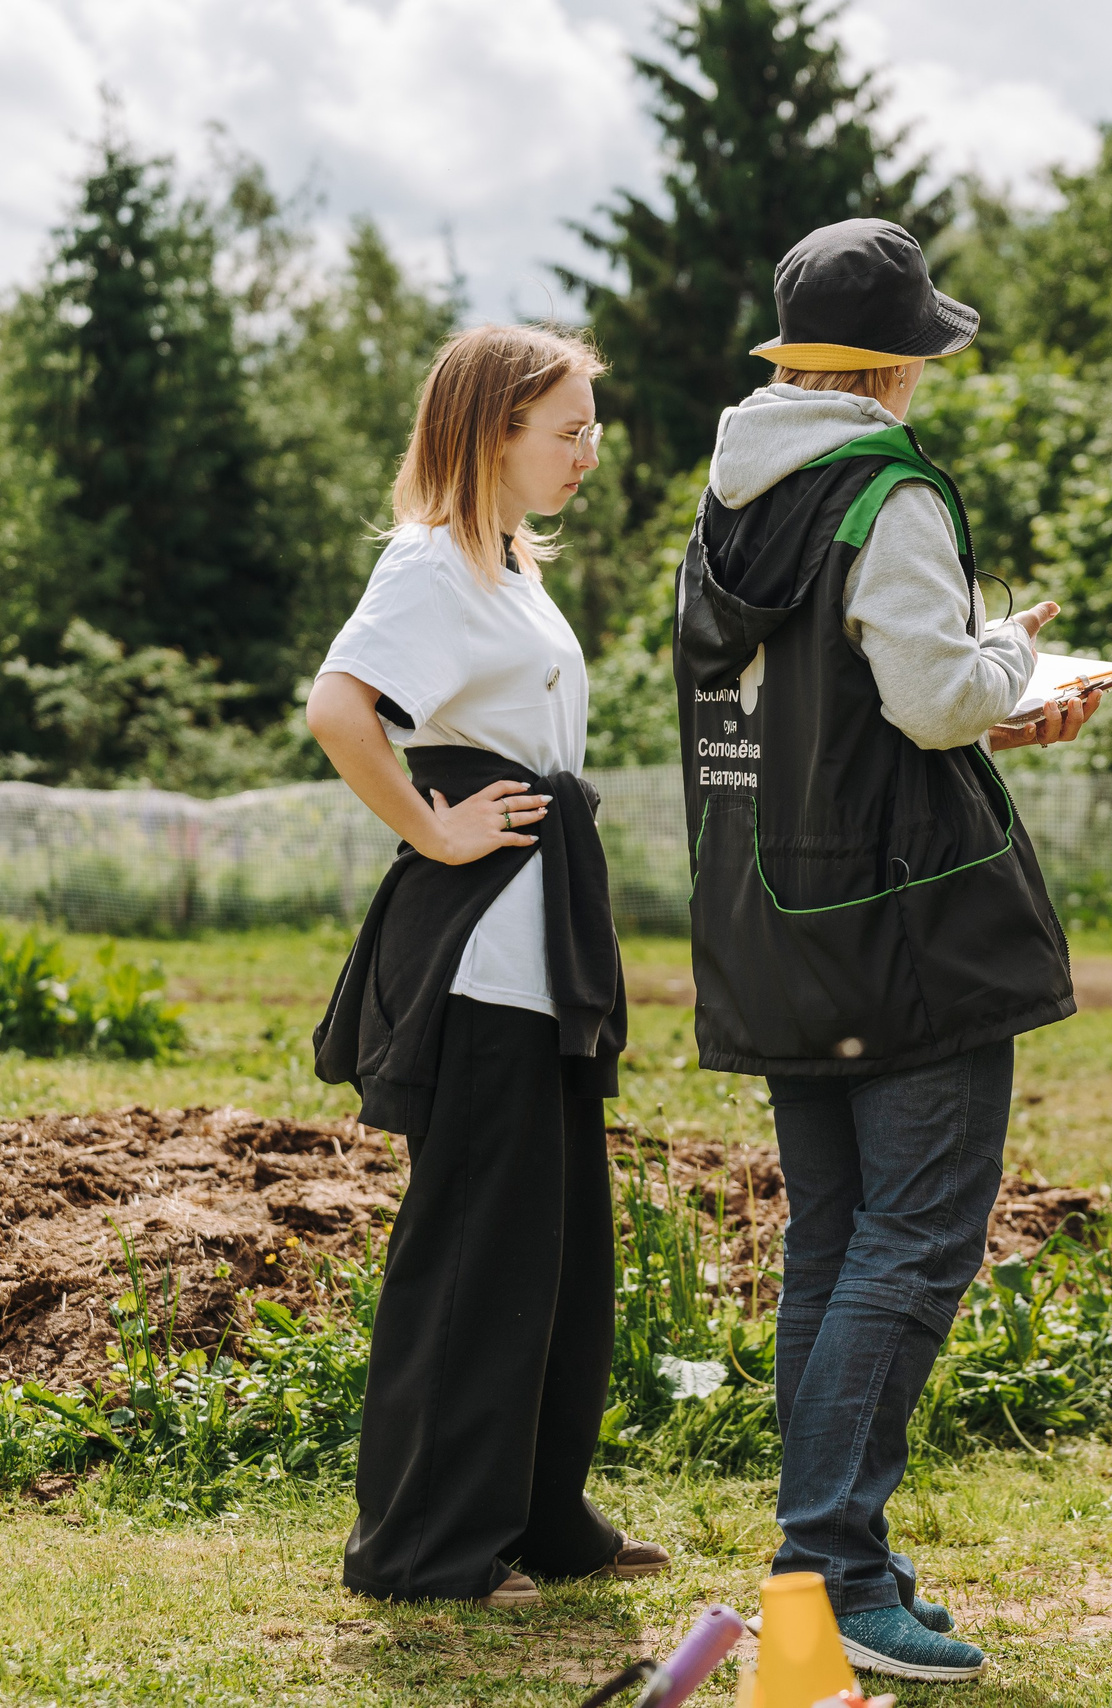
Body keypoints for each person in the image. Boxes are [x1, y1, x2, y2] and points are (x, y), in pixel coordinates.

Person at [676, 218, 1097, 1683]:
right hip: (907, 928)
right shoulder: (887, 491)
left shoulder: (728, 502)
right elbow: (928, 702)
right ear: (895, 365)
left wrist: (972, 675)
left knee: (832, 1242)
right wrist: (1011, 661)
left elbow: (832, 703)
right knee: (914, 1243)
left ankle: (823, 1562)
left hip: (775, 921)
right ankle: (837, 1570)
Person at [310, 324, 664, 1604]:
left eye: (591, 428)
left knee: (556, 1248)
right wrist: (430, 826)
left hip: (542, 953)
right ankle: (421, 1545)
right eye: (568, 429)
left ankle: (537, 1515)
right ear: (490, 432)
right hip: (483, 962)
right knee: (475, 1248)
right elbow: (339, 708)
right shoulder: (431, 561)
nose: (589, 452)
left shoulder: (508, 562)